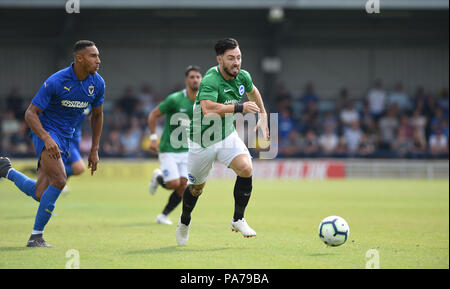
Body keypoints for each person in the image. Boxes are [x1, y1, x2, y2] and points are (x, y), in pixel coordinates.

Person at [0, 40, 105, 247]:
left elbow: (98, 115)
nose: (98, 60)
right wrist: (47, 139)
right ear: (79, 58)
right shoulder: (57, 81)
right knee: (59, 180)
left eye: (98, 56)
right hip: (46, 133)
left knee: (41, 193)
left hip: (66, 137)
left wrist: (94, 149)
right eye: (93, 56)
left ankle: (6, 170)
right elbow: (30, 113)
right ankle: (36, 237)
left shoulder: (97, 83)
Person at [176, 38, 269, 246]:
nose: (236, 62)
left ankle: (238, 219)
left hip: (227, 136)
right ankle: (184, 221)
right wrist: (240, 108)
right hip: (202, 141)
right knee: (197, 188)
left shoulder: (243, 76)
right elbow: (208, 109)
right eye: (231, 58)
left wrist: (262, 113)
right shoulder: (210, 79)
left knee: (246, 168)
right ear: (220, 59)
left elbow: (254, 92)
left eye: (239, 57)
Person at [147, 65, 203, 225]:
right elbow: (153, 115)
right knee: (173, 184)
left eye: (198, 77)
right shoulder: (175, 99)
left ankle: (163, 215)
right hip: (169, 148)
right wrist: (152, 138)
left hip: (188, 150)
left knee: (184, 186)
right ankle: (158, 177)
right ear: (187, 80)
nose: (195, 80)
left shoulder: (204, 101)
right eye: (192, 77)